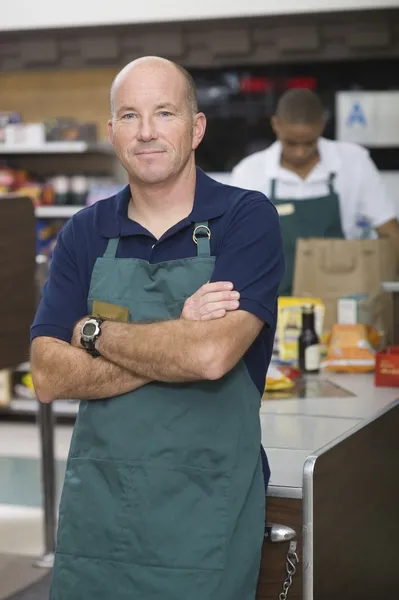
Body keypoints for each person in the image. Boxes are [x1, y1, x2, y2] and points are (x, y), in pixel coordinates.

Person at [30, 56, 284, 600]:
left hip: (205, 519)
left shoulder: (246, 219)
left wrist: (94, 334)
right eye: (130, 115)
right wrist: (177, 338)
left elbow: (211, 356)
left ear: (195, 127)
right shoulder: (84, 232)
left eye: (164, 112)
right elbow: (48, 376)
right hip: (98, 518)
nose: (146, 131)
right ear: (113, 131)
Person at [231, 88, 399, 295]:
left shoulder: (354, 163)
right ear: (276, 125)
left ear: (321, 125)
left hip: (341, 298)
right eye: (291, 142)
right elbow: (235, 249)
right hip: (274, 305)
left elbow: (390, 232)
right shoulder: (250, 173)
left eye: (309, 142)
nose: (300, 152)